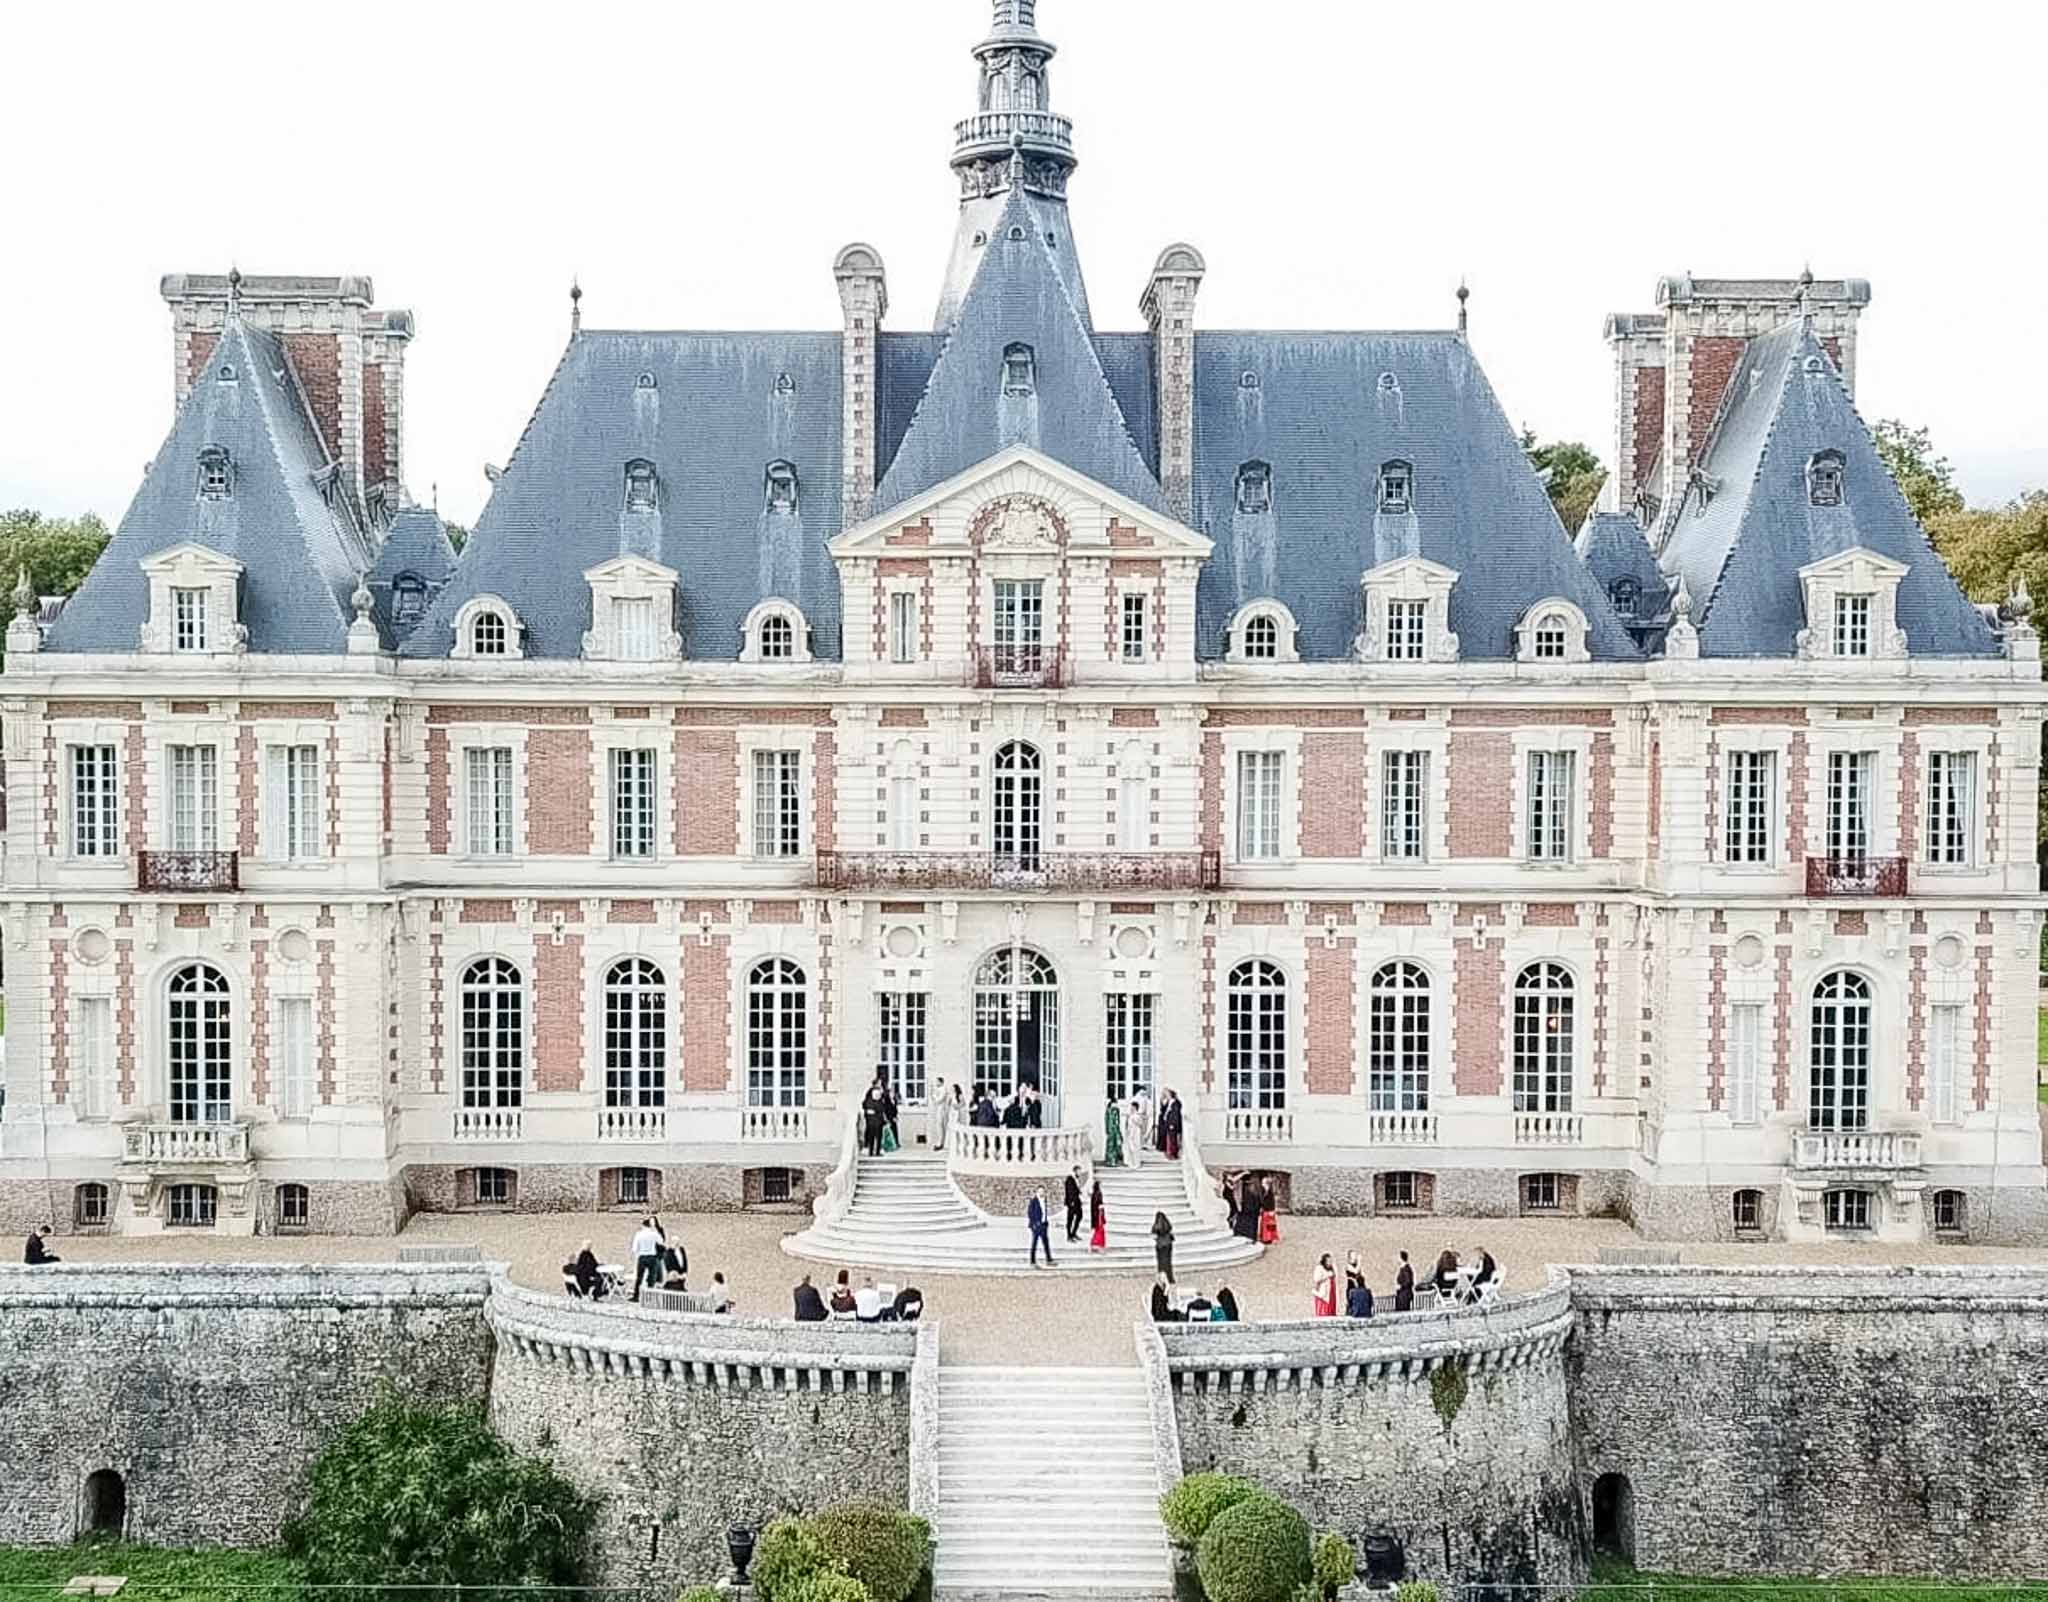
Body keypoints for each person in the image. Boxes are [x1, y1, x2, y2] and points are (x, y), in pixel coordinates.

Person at [629, 1216, 663, 1301]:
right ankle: (649, 1297)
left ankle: (636, 1296)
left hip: (643, 1257)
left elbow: (634, 1248)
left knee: (639, 1277)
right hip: (652, 1257)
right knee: (652, 1278)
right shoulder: (653, 1234)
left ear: (643, 1226)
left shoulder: (639, 1234)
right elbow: (661, 1242)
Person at [1027, 1188, 1055, 1268]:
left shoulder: (1044, 1200)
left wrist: (1046, 1222)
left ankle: (1049, 1260)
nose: (1041, 1193)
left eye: (1043, 1191)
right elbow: (1030, 1213)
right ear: (1037, 1192)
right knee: (1034, 1243)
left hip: (1043, 1225)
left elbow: (1044, 1212)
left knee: (1046, 1243)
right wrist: (1034, 1224)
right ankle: (1032, 1261)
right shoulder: (1034, 1201)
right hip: (1037, 1225)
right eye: (1040, 1191)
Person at [929, 1077, 954, 1153]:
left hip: (941, 1110)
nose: (936, 1083)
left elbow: (939, 1100)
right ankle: (940, 1142)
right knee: (938, 1126)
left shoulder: (943, 1089)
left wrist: (933, 1095)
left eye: (937, 1082)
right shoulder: (940, 1089)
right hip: (939, 1109)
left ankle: (941, 1143)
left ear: (940, 1082)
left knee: (940, 1126)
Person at [1152, 1210, 1176, 1283]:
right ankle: (1170, 1278)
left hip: (1160, 1246)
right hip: (1168, 1245)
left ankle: (1162, 1279)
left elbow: (1154, 1236)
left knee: (1161, 1263)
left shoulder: (1155, 1226)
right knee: (1168, 1262)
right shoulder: (1167, 1225)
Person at [1312, 1253, 1338, 1318]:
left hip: (1331, 1292)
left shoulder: (1331, 1268)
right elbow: (1316, 1279)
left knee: (1331, 1308)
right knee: (1323, 1310)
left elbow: (1334, 1275)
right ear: (1324, 1261)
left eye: (1331, 1261)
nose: (1330, 1263)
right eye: (1328, 1261)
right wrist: (1327, 1275)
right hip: (1323, 1292)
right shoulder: (1319, 1268)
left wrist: (1334, 1269)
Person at [1063, 1167, 1084, 1243]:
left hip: (1077, 1201)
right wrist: (1071, 1202)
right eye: (1079, 1171)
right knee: (1070, 1219)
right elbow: (1069, 1192)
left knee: (1080, 1216)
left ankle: (1074, 1233)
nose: (1080, 1173)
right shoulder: (1070, 1179)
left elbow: (1076, 1190)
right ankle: (1069, 1236)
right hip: (1072, 1202)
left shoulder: (1076, 1179)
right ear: (1075, 1171)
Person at [1103, 1096, 1125, 1166]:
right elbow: (1111, 1122)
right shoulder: (1110, 1110)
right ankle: (1111, 1161)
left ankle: (1113, 1161)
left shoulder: (1113, 1110)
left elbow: (1117, 1122)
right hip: (1112, 1131)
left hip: (1114, 1130)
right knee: (1112, 1146)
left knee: (1114, 1146)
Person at [1258, 1178, 1280, 1246]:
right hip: (1265, 1210)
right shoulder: (1264, 1191)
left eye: (1263, 1183)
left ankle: (1269, 1238)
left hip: (1269, 1210)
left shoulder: (1270, 1192)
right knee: (1265, 1225)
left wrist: (1272, 1210)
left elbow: (1272, 1202)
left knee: (1269, 1225)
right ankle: (1265, 1238)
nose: (1262, 1184)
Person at [1121, 1097, 1141, 1167]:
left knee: (1134, 1148)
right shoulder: (1131, 1115)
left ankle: (1136, 1163)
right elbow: (1128, 1126)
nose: (1131, 1108)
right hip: (1130, 1133)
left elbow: (1139, 1124)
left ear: (1135, 1108)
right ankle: (1131, 1163)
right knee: (1130, 1148)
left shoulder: (1136, 1116)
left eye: (1132, 1107)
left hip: (1135, 1134)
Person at [1089, 1179, 1107, 1252]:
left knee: (1098, 1231)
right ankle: (1098, 1246)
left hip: (1097, 1214)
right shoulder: (1098, 1193)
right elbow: (1098, 1204)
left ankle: (1094, 1245)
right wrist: (1102, 1206)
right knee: (1100, 1231)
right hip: (1099, 1214)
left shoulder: (1095, 1193)